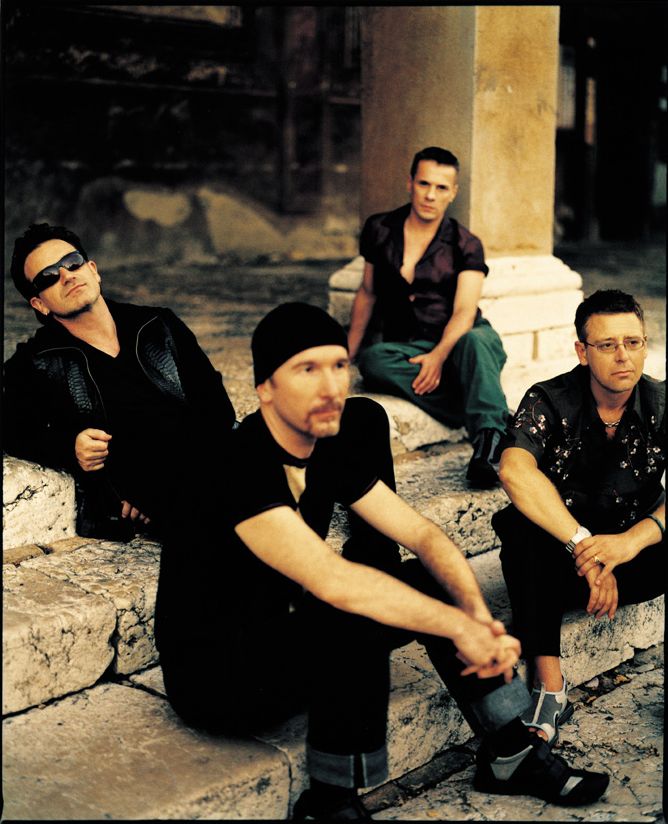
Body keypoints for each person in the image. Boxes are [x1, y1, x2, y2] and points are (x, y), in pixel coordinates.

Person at [154, 302, 609, 820]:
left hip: (281, 628)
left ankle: (513, 752)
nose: (331, 386)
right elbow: (335, 581)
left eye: (338, 366)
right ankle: (331, 804)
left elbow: (423, 535)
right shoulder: (234, 466)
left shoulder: (326, 442)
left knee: (421, 580)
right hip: (218, 675)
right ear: (265, 389)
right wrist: (460, 629)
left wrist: (477, 619)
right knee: (351, 609)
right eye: (307, 369)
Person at [494, 289, 665, 745]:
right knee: (521, 530)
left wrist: (629, 542)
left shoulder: (662, 402)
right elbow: (513, 471)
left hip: (635, 559)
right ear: (582, 351)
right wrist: (585, 549)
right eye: (607, 345)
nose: (623, 356)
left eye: (632, 342)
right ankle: (550, 688)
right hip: (559, 561)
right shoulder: (549, 399)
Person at [3, 223, 236, 540]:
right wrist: (69, 446)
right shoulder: (38, 362)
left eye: (72, 263)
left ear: (93, 270)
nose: (67, 276)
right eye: (48, 277)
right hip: (167, 502)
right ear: (39, 304)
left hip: (205, 472)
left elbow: (216, 409)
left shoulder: (158, 325)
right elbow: (11, 428)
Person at [347, 146, 509, 488]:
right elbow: (368, 292)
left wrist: (438, 356)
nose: (430, 195)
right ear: (410, 183)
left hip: (463, 338)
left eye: (441, 187)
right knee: (374, 361)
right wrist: (347, 352)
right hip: (411, 344)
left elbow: (465, 312)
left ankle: (490, 449)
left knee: (475, 341)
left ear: (453, 193)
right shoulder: (379, 228)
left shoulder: (466, 244)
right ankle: (476, 404)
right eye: (424, 184)